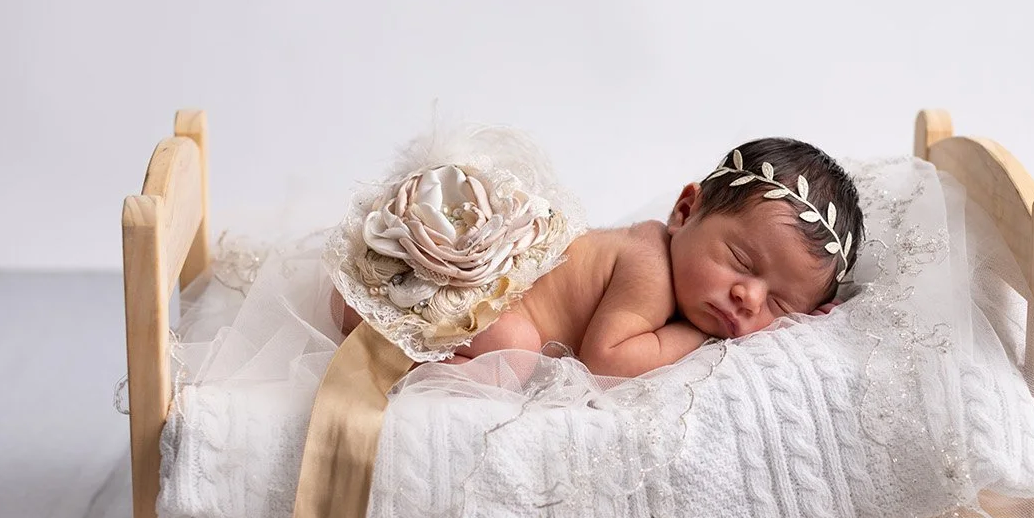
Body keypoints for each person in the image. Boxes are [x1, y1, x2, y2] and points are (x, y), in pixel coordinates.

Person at [333, 138, 864, 377]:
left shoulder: (668, 264)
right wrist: (700, 336)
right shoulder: (649, 264)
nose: (748, 297)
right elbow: (607, 360)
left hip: (450, 300)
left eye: (780, 305)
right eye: (741, 261)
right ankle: (399, 355)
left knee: (516, 347)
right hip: (446, 300)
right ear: (685, 211)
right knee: (515, 349)